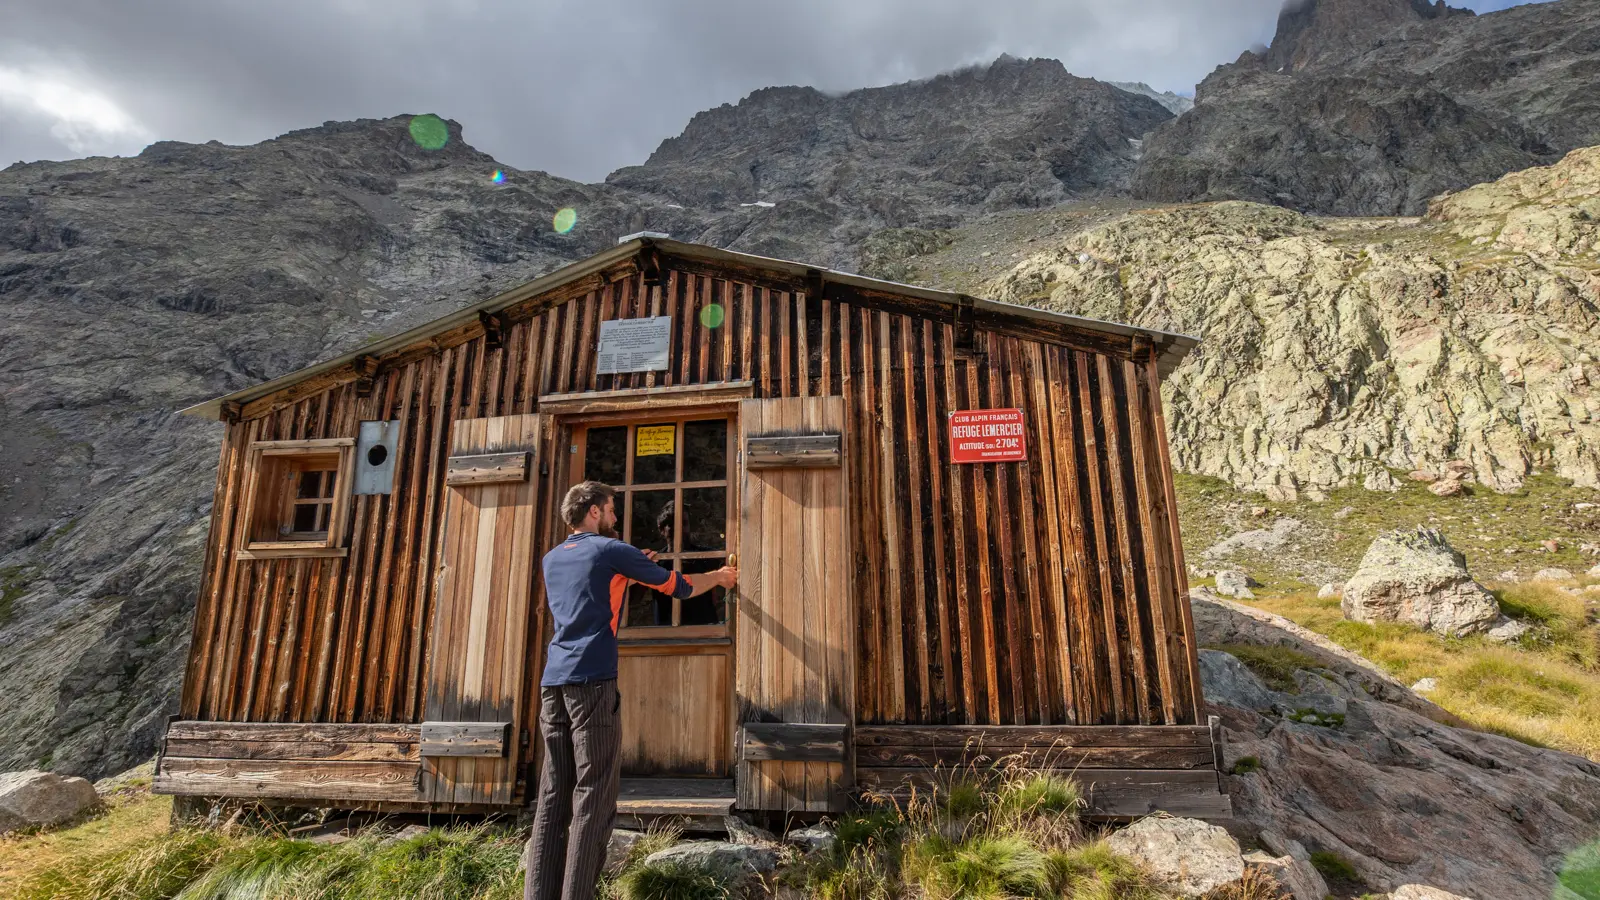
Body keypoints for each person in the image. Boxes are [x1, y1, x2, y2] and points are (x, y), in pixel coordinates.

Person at [524, 480, 737, 900]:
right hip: (593, 681)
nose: (617, 518)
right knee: (595, 794)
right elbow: (681, 587)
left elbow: (594, 593)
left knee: (553, 792)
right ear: (594, 512)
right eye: (611, 510)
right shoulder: (611, 551)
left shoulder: (552, 558)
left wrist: (629, 565)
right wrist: (722, 576)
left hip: (554, 682)